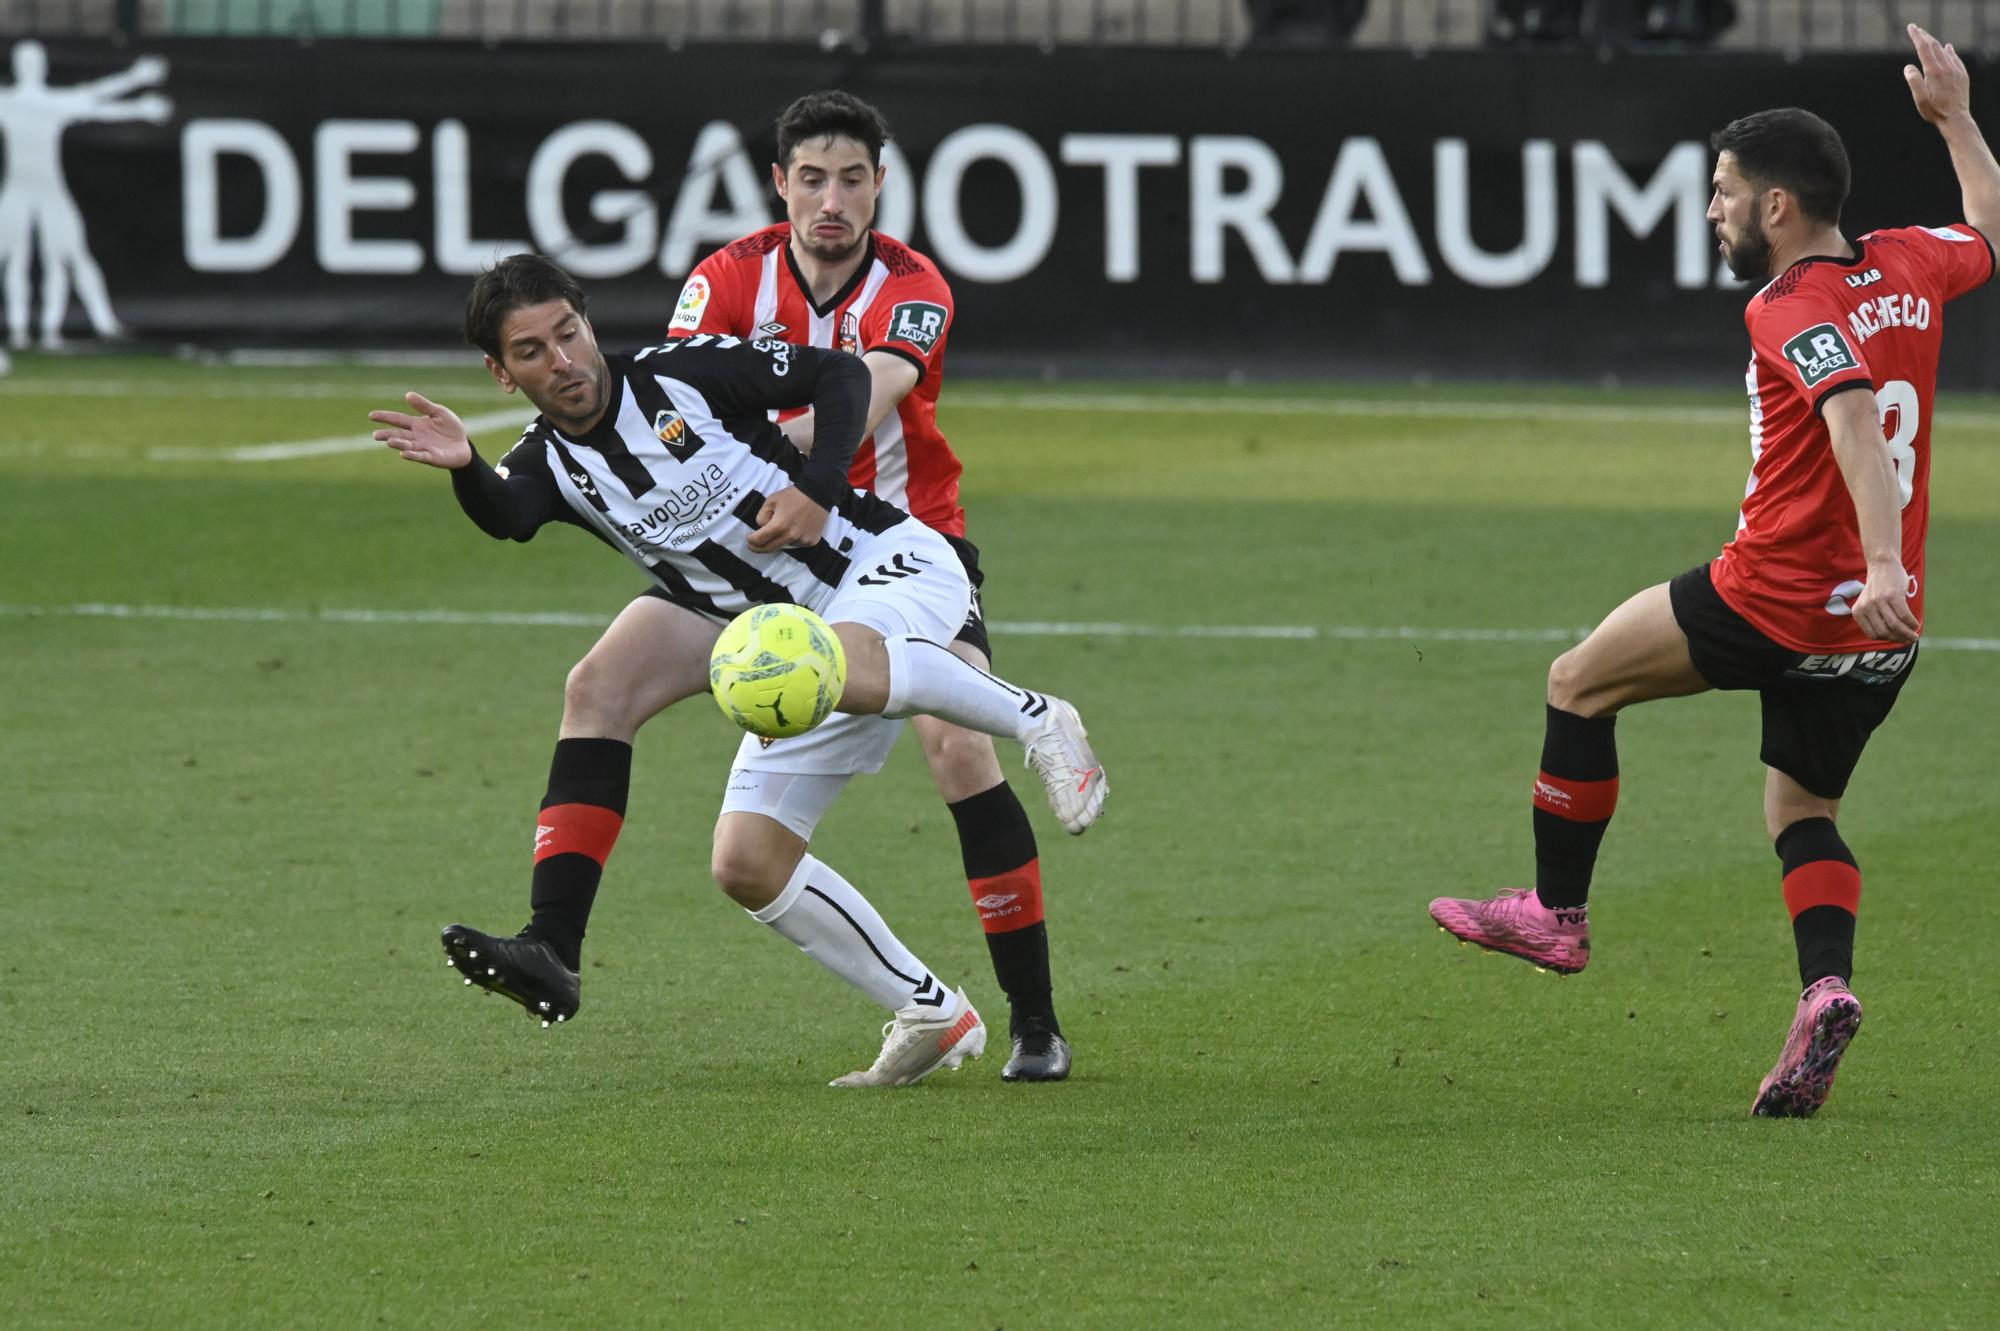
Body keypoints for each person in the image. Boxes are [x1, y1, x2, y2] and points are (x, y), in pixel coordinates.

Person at [1428, 25, 1996, 1118]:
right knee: (1800, 807)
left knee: (1576, 679)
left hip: (1773, 592)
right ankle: (1822, 988)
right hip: (1877, 631)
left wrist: (1875, 555)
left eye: (1722, 191)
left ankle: (1555, 910)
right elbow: (1988, 230)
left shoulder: (1788, 305)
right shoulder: (1908, 263)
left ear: (1775, 206)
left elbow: (1848, 424)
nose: (1709, 211)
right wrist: (1956, 118)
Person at [368, 254, 1107, 1087]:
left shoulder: (681, 373)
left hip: (883, 562)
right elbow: (508, 517)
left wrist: (821, 487)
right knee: (746, 860)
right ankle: (928, 1009)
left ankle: (1040, 718)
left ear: (589, 322)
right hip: (784, 644)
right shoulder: (553, 462)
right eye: (532, 351)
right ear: (502, 375)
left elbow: (836, 376)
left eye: (568, 333)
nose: (563, 362)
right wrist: (467, 464)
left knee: (851, 664)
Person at [665, 91, 1079, 1082]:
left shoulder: (911, 282)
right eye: (811, 177)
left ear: (880, 183)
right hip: (779, 566)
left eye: (853, 177)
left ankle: (1034, 1024)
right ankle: (927, 1009)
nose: (832, 199)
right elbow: (677, 393)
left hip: (909, 545)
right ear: (779, 184)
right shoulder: (726, 277)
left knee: (955, 746)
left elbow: (876, 386)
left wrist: (767, 447)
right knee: (715, 823)